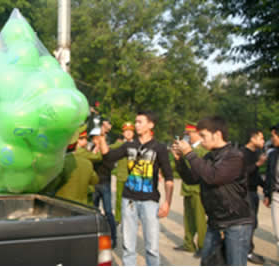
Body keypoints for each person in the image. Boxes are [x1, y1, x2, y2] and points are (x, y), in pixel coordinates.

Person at [96, 110, 174, 266]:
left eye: (140, 122)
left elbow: (169, 177)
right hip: (129, 200)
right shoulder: (129, 145)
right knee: (128, 246)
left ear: (150, 124)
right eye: (136, 122)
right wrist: (101, 136)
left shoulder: (159, 148)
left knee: (152, 247)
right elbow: (108, 156)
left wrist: (167, 202)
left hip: (150, 201)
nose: (136, 125)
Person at [172, 116, 253, 266]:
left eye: (203, 136)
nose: (201, 140)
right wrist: (179, 160)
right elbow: (192, 179)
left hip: (236, 223)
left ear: (217, 134)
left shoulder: (234, 156)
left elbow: (213, 177)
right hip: (215, 222)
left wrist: (189, 153)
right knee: (208, 263)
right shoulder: (210, 156)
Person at [172, 123, 207, 258]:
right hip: (187, 188)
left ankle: (203, 246)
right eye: (186, 134)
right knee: (188, 218)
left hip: (197, 190)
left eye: (189, 134)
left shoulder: (202, 149)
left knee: (200, 220)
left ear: (197, 133)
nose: (187, 136)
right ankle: (188, 243)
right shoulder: (190, 148)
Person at [42, 128, 99, 206]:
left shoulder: (62, 162)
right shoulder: (88, 163)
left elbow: (51, 186)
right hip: (83, 207)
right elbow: (95, 180)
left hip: (63, 206)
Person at [91, 119, 118, 249]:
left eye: (98, 138)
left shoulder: (108, 152)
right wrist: (95, 149)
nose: (96, 140)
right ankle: (93, 237)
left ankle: (113, 238)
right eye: (94, 139)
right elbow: (90, 162)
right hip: (95, 185)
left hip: (105, 184)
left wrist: (101, 147)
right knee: (93, 212)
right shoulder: (92, 150)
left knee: (108, 212)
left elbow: (110, 166)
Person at [241, 128, 266, 264]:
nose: (263, 141)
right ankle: (247, 252)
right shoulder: (242, 153)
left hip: (254, 192)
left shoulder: (256, 153)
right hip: (245, 193)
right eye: (261, 138)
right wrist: (257, 164)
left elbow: (256, 176)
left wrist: (267, 189)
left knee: (253, 223)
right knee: (249, 223)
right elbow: (241, 174)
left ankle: (247, 249)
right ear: (253, 138)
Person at [112, 122, 135, 224]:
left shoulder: (137, 144)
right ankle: (118, 218)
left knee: (133, 199)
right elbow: (109, 148)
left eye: (130, 131)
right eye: (126, 131)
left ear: (133, 133)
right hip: (121, 176)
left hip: (133, 176)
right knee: (119, 198)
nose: (128, 133)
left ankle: (132, 218)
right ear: (123, 133)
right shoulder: (119, 144)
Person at [263, 124, 279, 250]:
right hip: (276, 197)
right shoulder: (273, 154)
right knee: (279, 234)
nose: (272, 138)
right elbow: (269, 175)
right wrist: (267, 194)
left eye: (274, 136)